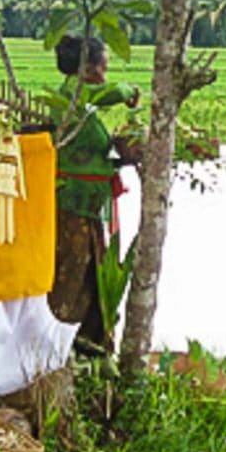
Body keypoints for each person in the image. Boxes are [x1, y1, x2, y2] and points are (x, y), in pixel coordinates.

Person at [47, 33, 139, 354]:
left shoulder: (81, 104)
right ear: (89, 69)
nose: (105, 73)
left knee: (90, 277)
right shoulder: (76, 95)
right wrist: (131, 93)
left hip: (87, 207)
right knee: (72, 277)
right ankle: (61, 348)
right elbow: (114, 92)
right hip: (74, 207)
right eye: (104, 66)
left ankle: (88, 347)